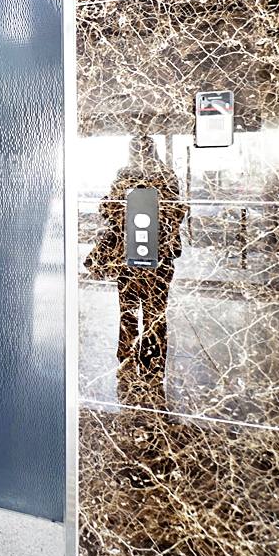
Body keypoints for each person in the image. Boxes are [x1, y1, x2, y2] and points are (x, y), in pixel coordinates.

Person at [85, 135, 187, 406]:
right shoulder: (163, 175)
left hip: (138, 254)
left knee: (134, 311)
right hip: (152, 256)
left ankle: (132, 361)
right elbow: (175, 212)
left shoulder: (130, 175)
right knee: (151, 312)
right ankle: (148, 364)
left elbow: (111, 210)